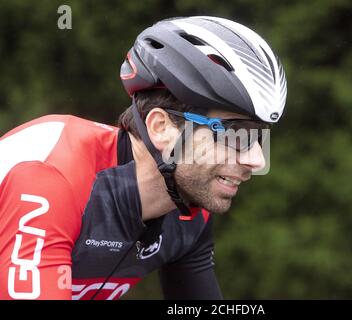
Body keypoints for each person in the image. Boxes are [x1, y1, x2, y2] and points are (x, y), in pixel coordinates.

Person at [0, 16, 287, 300]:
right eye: (236, 134)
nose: (257, 160)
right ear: (161, 128)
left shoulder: (189, 213)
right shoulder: (50, 178)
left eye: (258, 137)